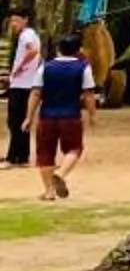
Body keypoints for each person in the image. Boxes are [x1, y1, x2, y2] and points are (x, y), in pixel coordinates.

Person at [34, 32, 92, 200]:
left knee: (45, 153)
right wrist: (92, 114)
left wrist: (29, 116)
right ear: (79, 50)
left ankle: (49, 191)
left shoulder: (45, 66)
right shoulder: (83, 67)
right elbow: (88, 94)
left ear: (58, 49)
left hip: (47, 116)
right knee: (74, 148)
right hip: (71, 115)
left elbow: (36, 93)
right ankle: (61, 173)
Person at [4, 6, 39, 167]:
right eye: (12, 20)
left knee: (14, 121)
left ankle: (12, 157)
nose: (13, 24)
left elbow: (33, 51)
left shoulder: (27, 35)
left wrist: (18, 68)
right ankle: (22, 156)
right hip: (25, 83)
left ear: (26, 20)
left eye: (17, 20)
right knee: (22, 121)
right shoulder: (29, 35)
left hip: (21, 85)